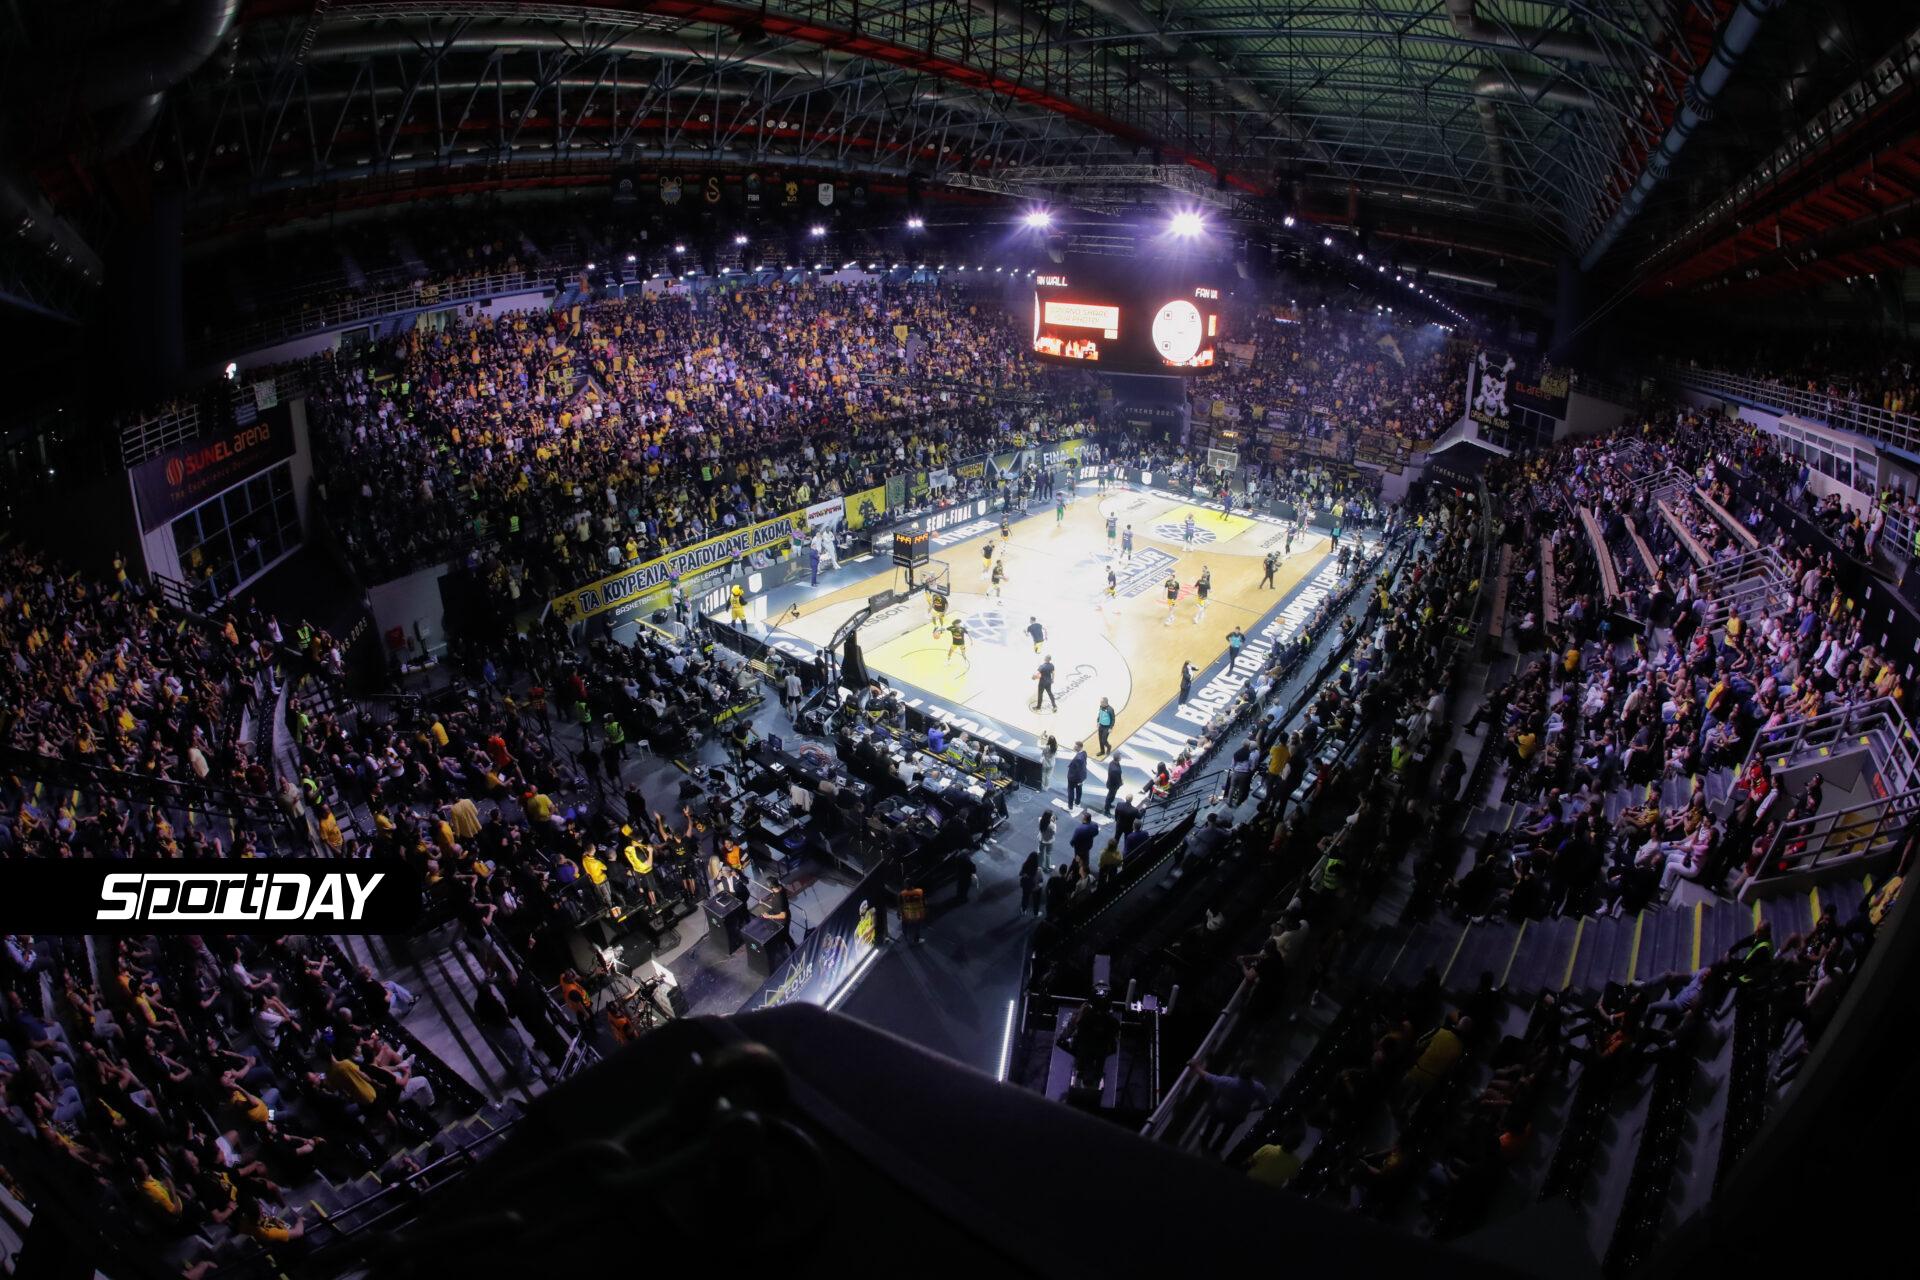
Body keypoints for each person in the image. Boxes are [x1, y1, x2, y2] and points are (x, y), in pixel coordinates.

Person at [1065, 742, 1089, 807]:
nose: (1074, 747)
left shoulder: (1078, 758)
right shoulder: (1084, 753)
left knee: (1070, 790)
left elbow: (1078, 770)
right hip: (1081, 777)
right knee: (1079, 789)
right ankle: (1077, 803)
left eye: (1075, 746)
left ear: (1079, 747)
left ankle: (1070, 807)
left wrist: (1070, 776)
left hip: (1074, 778)